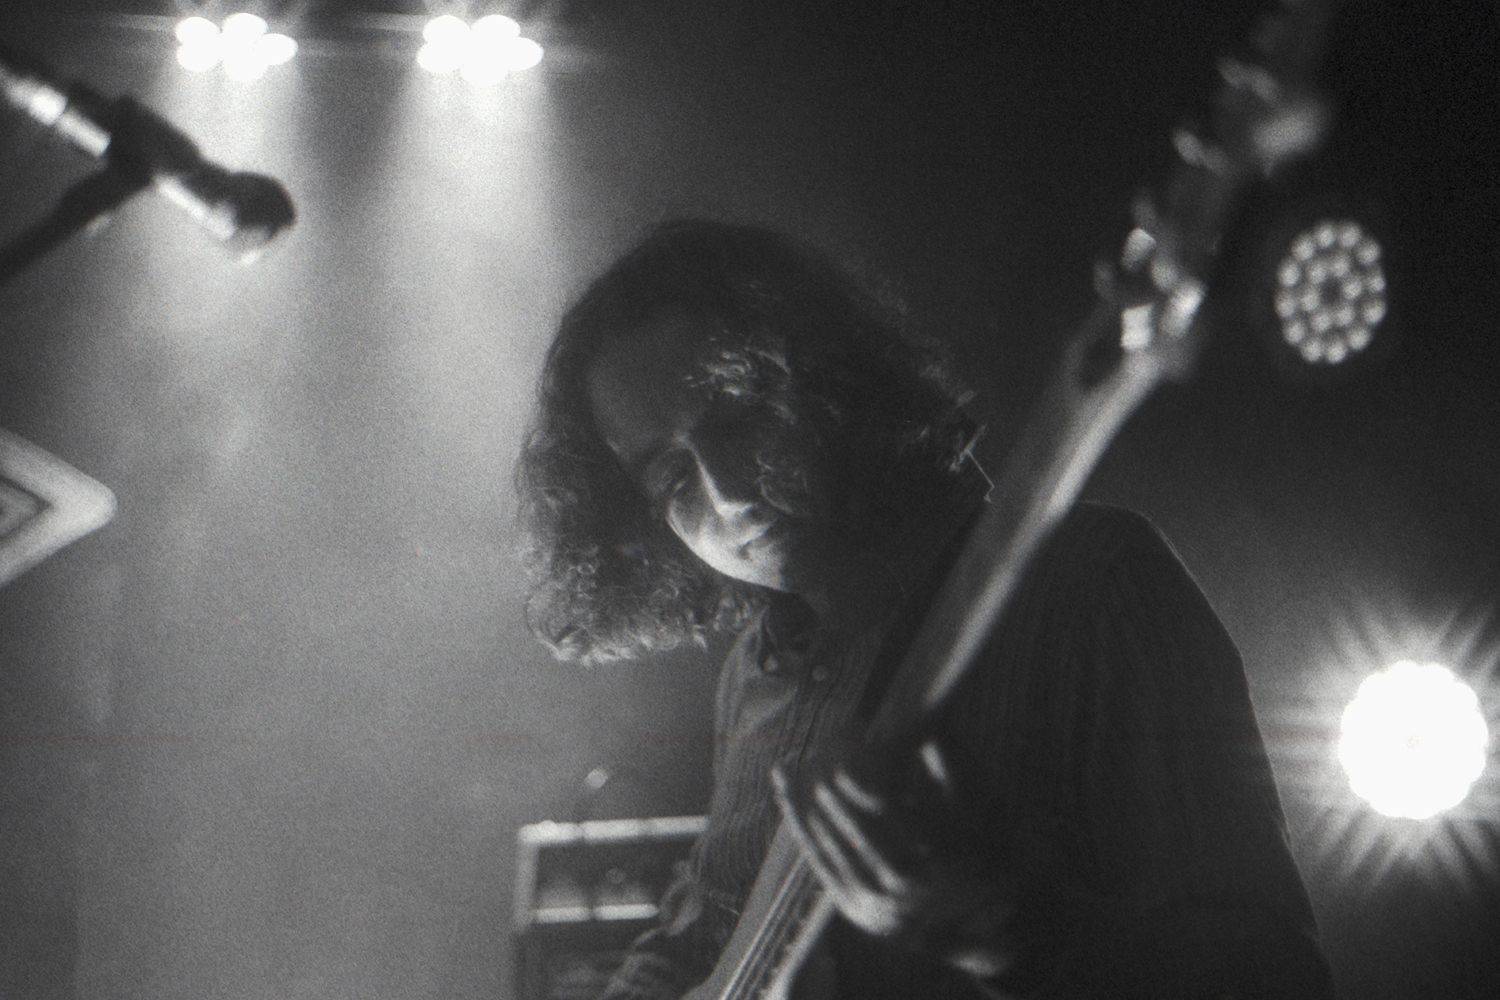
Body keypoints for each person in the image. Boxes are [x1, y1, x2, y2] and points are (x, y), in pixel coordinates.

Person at [516, 219, 1335, 999]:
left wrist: (1012, 932)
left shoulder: (1094, 587)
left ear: (823, 375)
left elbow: (1273, 983)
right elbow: (708, 930)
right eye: (671, 477)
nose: (727, 494)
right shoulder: (752, 676)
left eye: (738, 418)